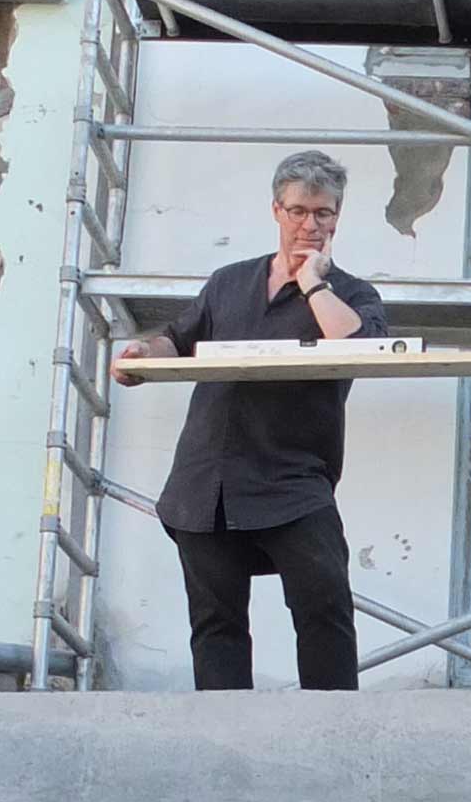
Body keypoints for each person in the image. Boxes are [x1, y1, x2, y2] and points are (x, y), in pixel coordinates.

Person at [118, 151, 389, 692]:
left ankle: (332, 737)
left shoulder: (353, 294)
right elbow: (177, 339)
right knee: (216, 626)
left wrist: (314, 284)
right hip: (207, 483)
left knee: (324, 610)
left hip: (293, 483)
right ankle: (223, 746)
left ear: (338, 217)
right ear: (276, 210)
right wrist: (141, 356)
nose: (310, 224)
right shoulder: (228, 282)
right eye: (299, 211)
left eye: (324, 213)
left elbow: (360, 347)